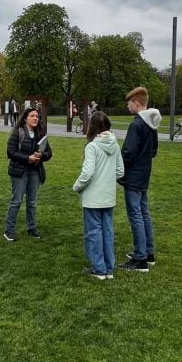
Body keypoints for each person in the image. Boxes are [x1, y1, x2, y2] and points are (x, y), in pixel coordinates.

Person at [73, 111, 124, 280]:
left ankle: (98, 268)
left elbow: (87, 173)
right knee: (107, 232)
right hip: (108, 196)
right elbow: (120, 171)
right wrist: (107, 180)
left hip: (93, 198)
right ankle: (108, 267)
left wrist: (77, 186)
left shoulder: (92, 147)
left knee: (93, 232)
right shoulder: (115, 145)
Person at [120, 86, 161, 272]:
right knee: (144, 213)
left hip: (134, 177)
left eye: (129, 102)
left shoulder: (136, 124)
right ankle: (148, 252)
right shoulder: (151, 124)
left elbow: (128, 152)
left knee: (135, 214)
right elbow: (153, 151)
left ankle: (140, 258)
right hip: (144, 175)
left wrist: (120, 168)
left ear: (136, 103)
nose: (128, 106)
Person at [3, 107, 52, 241]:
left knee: (32, 202)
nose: (35, 118)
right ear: (25, 118)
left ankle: (31, 228)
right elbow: (10, 152)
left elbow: (49, 153)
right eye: (32, 116)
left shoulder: (40, 134)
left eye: (37, 116)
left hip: (35, 171)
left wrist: (41, 155)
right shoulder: (18, 133)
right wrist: (27, 158)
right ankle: (9, 230)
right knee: (16, 201)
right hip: (19, 171)